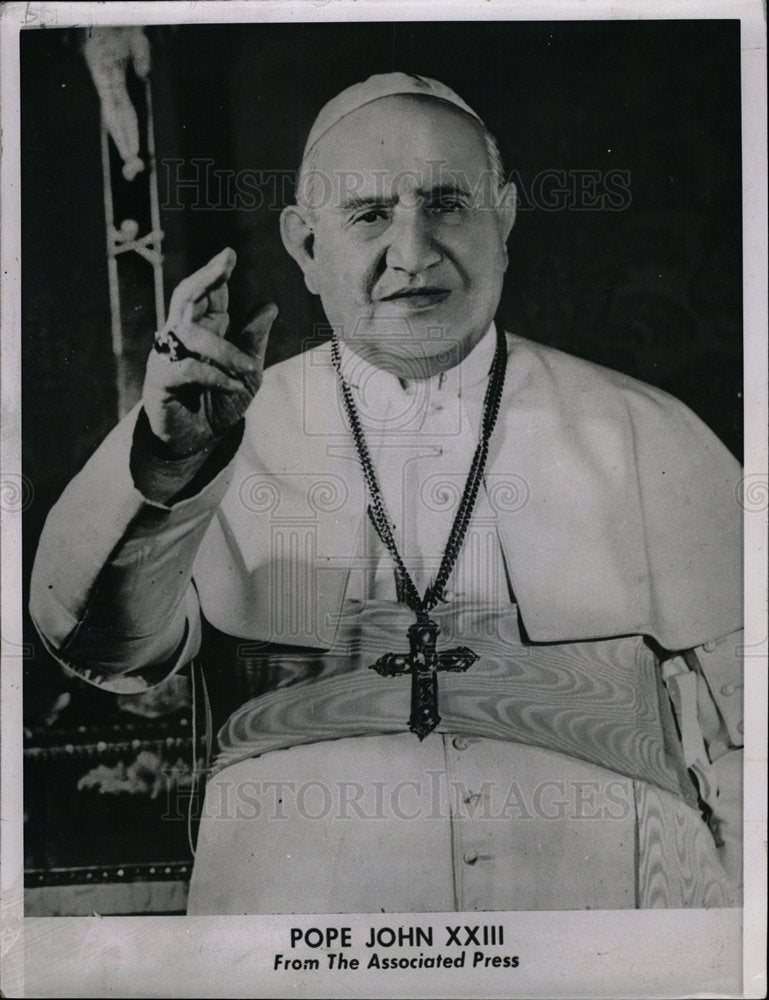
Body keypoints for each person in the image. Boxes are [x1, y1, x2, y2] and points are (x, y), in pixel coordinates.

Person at [30, 73, 743, 913]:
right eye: (368, 214)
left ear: (503, 222)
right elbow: (99, 652)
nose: (412, 251)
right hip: (304, 939)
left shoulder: (644, 433)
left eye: (447, 204)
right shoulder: (221, 432)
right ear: (303, 246)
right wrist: (166, 468)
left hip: (608, 931)